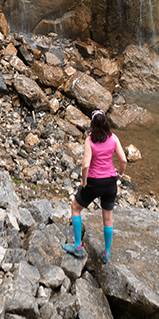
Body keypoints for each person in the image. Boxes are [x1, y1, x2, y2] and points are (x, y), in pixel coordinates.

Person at [63, 109, 127, 263]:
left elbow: (85, 165)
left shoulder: (89, 140)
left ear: (92, 125)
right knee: (108, 218)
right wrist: (120, 175)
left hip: (94, 182)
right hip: (110, 182)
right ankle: (106, 252)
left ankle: (78, 247)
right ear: (106, 123)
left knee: (75, 208)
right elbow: (123, 160)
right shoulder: (113, 138)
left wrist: (84, 182)